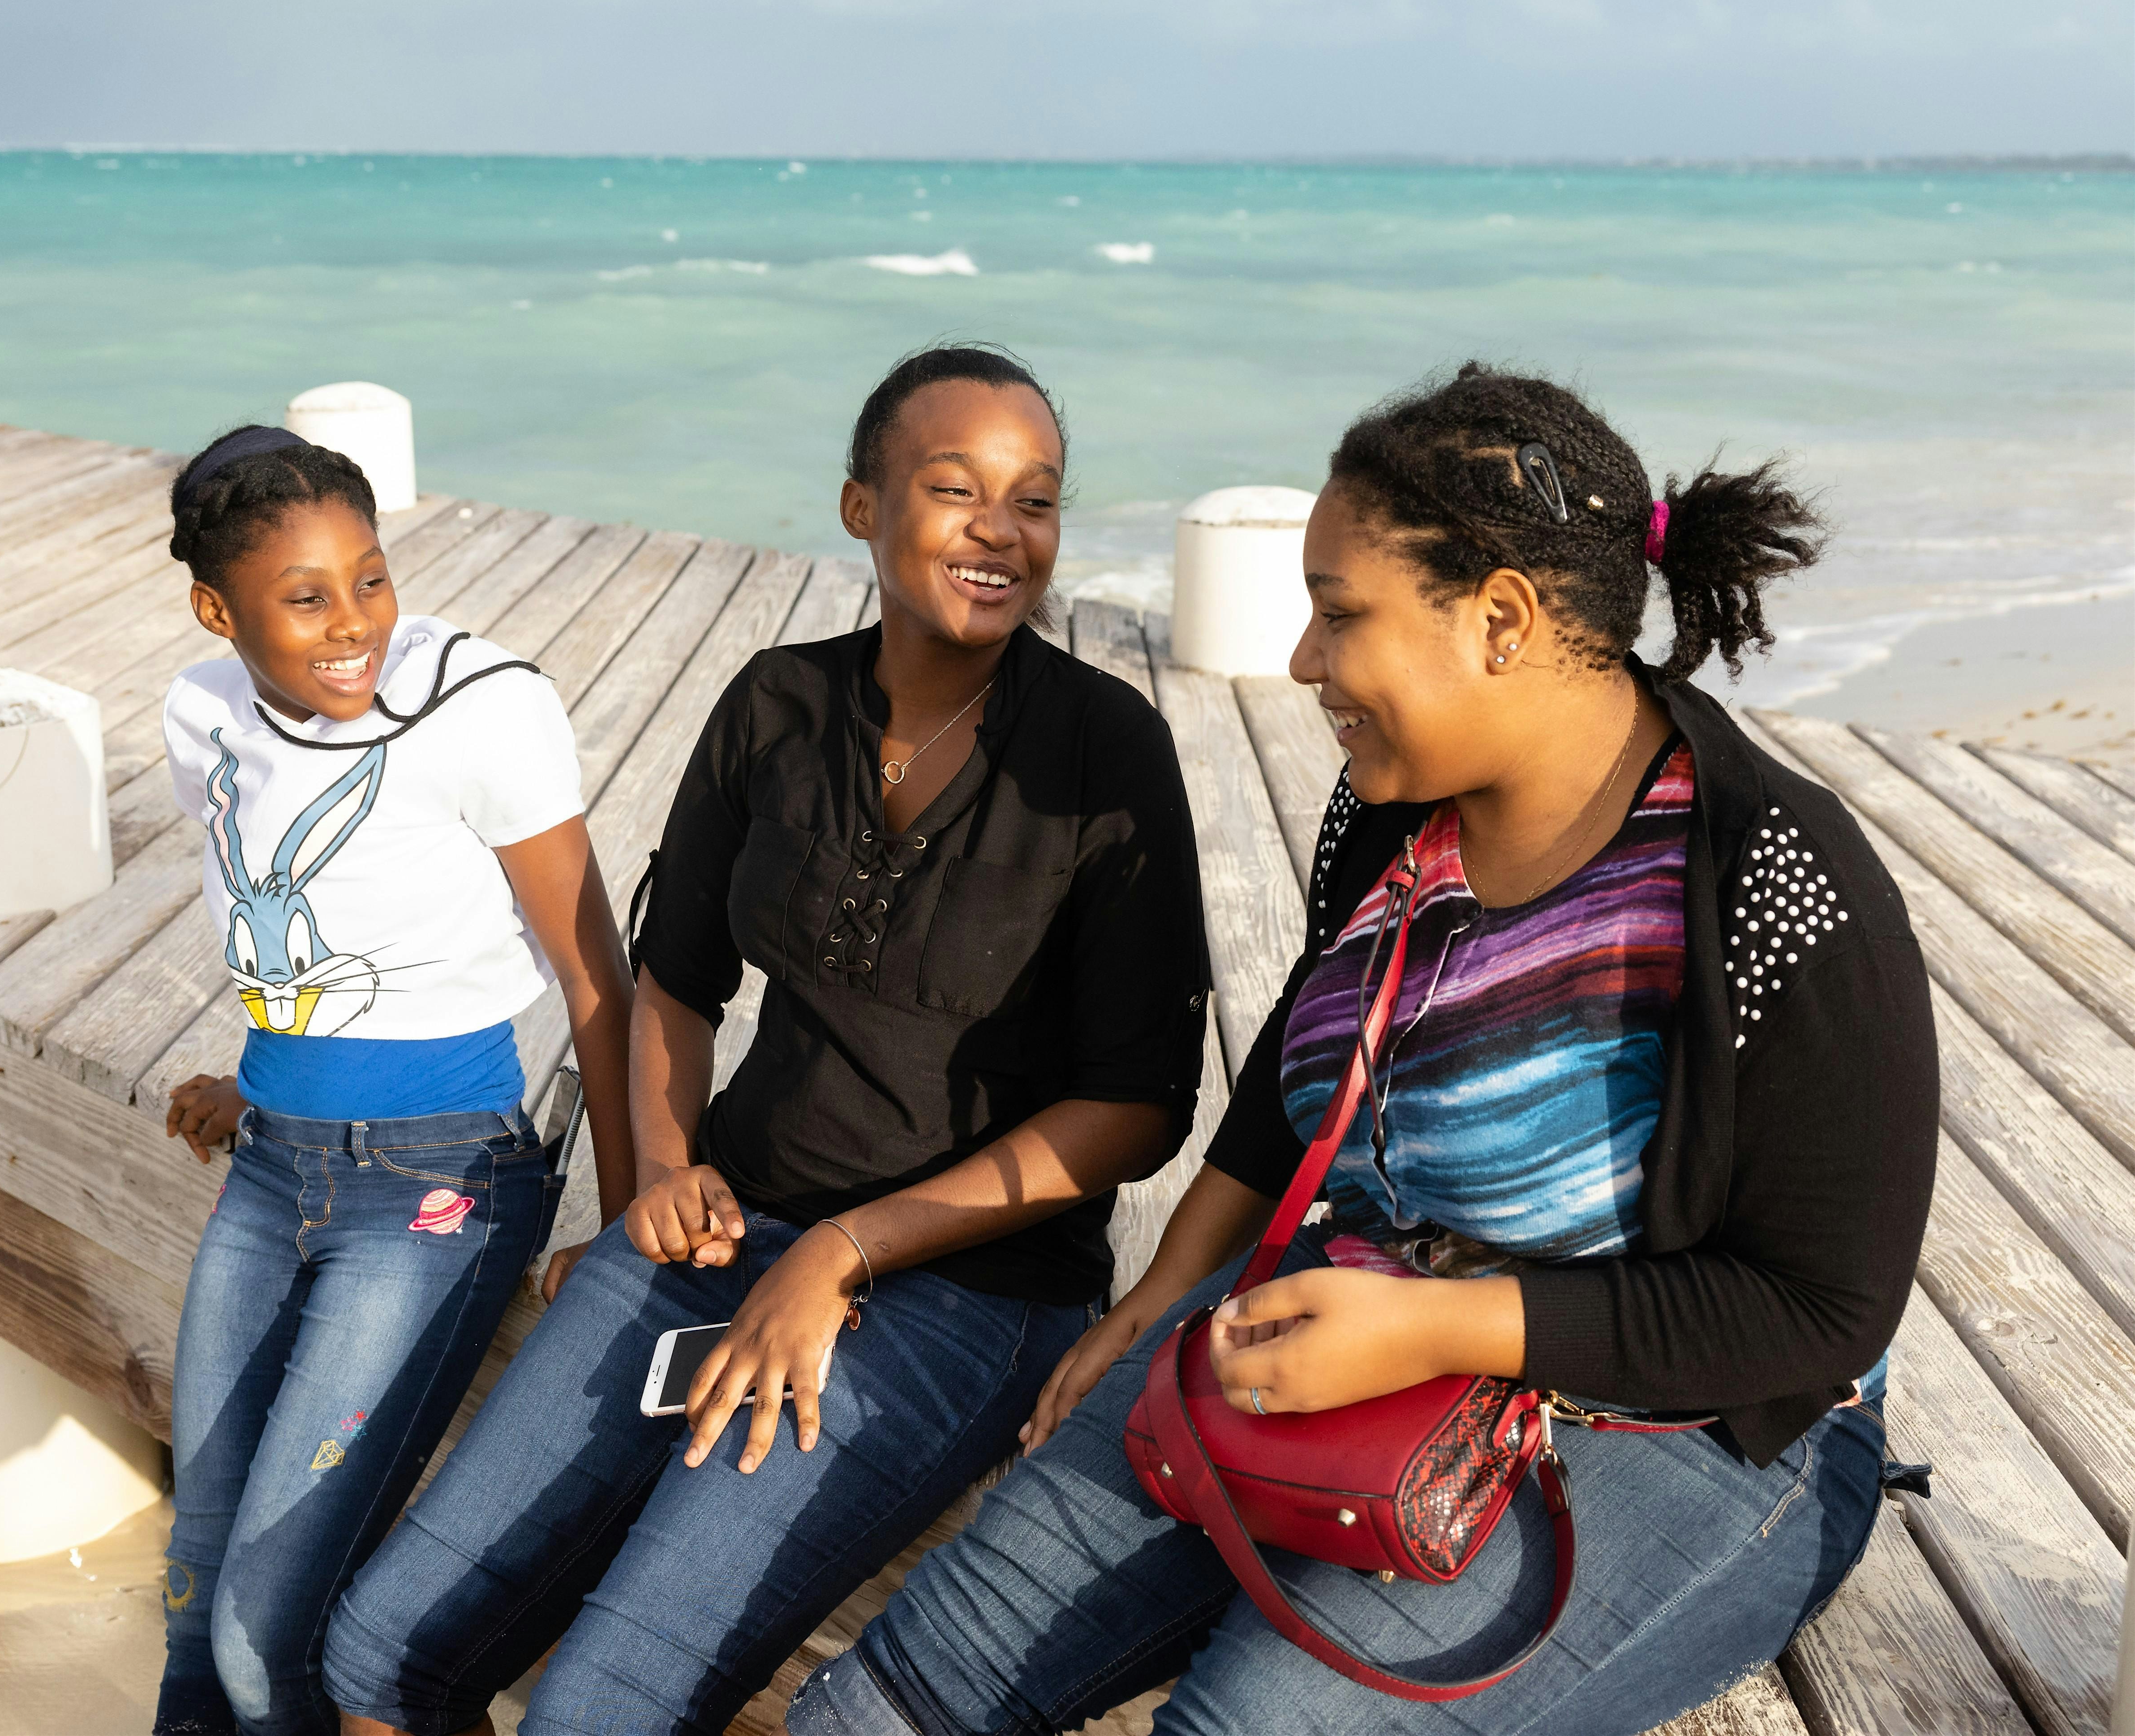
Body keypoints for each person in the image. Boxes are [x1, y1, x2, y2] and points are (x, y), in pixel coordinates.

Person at [786, 362, 1938, 1736]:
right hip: (1373, 1322)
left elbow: (1818, 1309)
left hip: (1703, 1429)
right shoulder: (1397, 812)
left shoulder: (1771, 883)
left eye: (1341, 615)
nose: (1303, 663)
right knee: (900, 1697)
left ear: (1502, 619)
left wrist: (1439, 1324)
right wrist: (1165, 1291)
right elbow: (1312, 1045)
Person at [319, 345, 1213, 1736]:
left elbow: (1140, 1105)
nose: (1002, 529)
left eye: (1035, 500)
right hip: (729, 1222)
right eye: (954, 488)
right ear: (862, 506)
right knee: (379, 1651)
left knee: (597, 1713)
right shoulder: (776, 704)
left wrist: (846, 1252)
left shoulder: (1107, 753)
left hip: (970, 1286)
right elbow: (677, 985)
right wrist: (660, 1173)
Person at [150, 427, 636, 1736]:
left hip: (439, 1185)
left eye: (372, 576)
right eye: (306, 597)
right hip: (269, 1168)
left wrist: (633, 1226)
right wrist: (260, 1076)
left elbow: (600, 978)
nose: (355, 621)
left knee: (265, 1640)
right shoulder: (200, 715)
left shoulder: (484, 708)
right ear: (218, 608)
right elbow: (304, 926)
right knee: (197, 1595)